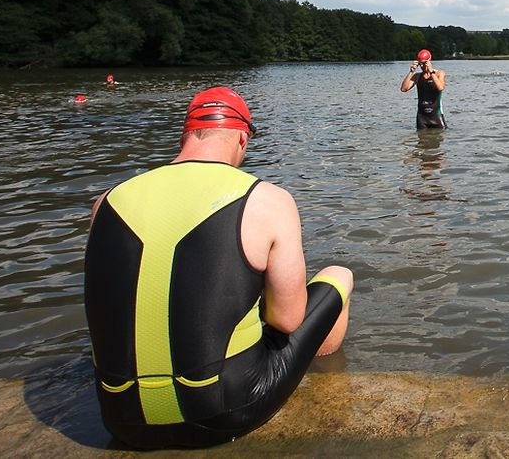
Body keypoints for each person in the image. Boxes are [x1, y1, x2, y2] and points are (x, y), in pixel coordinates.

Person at [84, 87, 353, 448]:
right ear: (242, 138)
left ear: (186, 135)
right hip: (225, 412)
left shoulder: (107, 201)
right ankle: (326, 377)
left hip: (121, 417)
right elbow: (287, 320)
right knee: (339, 276)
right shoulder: (266, 199)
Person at [400, 49, 447, 128]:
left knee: (440, 137)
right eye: (420, 63)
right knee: (422, 139)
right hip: (422, 117)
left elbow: (440, 88)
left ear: (429, 62)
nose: (421, 66)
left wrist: (431, 71)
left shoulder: (439, 73)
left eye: (424, 63)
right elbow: (404, 89)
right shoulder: (417, 76)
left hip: (436, 115)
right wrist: (411, 72)